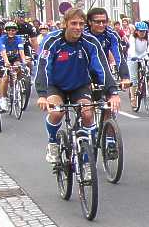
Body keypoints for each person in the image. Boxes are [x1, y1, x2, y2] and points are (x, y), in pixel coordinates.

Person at [35, 8, 120, 164]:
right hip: (56, 86)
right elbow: (42, 67)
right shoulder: (51, 40)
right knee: (56, 112)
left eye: (81, 24)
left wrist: (112, 92)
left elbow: (102, 67)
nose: (78, 27)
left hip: (80, 85)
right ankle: (53, 142)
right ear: (65, 24)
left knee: (88, 115)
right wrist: (42, 95)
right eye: (73, 23)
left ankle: (88, 161)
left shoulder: (90, 42)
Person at [85, 7, 130, 88]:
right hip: (83, 72)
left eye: (104, 21)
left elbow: (119, 56)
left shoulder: (111, 35)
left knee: (109, 96)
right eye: (97, 22)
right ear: (89, 22)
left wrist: (125, 77)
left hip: (102, 71)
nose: (101, 25)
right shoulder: (82, 34)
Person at [127, 21, 149, 108]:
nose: (142, 33)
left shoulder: (148, 37)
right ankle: (133, 98)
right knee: (133, 78)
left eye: (144, 31)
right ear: (136, 31)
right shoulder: (133, 38)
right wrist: (134, 56)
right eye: (140, 31)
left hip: (143, 56)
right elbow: (132, 48)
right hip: (133, 57)